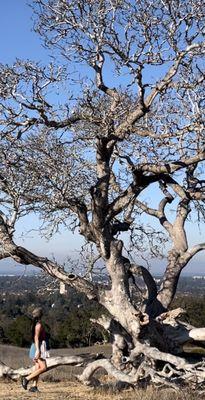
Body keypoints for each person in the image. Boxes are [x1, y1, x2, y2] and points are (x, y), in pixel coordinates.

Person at [21, 307, 49, 392]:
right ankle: (26, 379)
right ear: (41, 315)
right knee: (44, 368)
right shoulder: (39, 325)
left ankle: (34, 387)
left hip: (37, 346)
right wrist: (38, 350)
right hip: (37, 347)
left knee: (38, 367)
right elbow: (36, 337)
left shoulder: (36, 324)